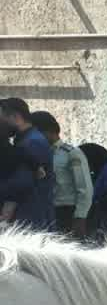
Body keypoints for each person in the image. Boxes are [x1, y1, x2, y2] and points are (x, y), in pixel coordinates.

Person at [33, 113, 93, 236]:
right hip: (49, 211)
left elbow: (84, 188)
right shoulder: (41, 153)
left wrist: (80, 217)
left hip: (68, 211)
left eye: (38, 133)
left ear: (50, 131)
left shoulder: (70, 153)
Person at [1, 98, 55, 229]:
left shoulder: (32, 142)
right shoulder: (25, 140)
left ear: (15, 117)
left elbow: (20, 183)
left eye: (2, 118)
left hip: (31, 220)